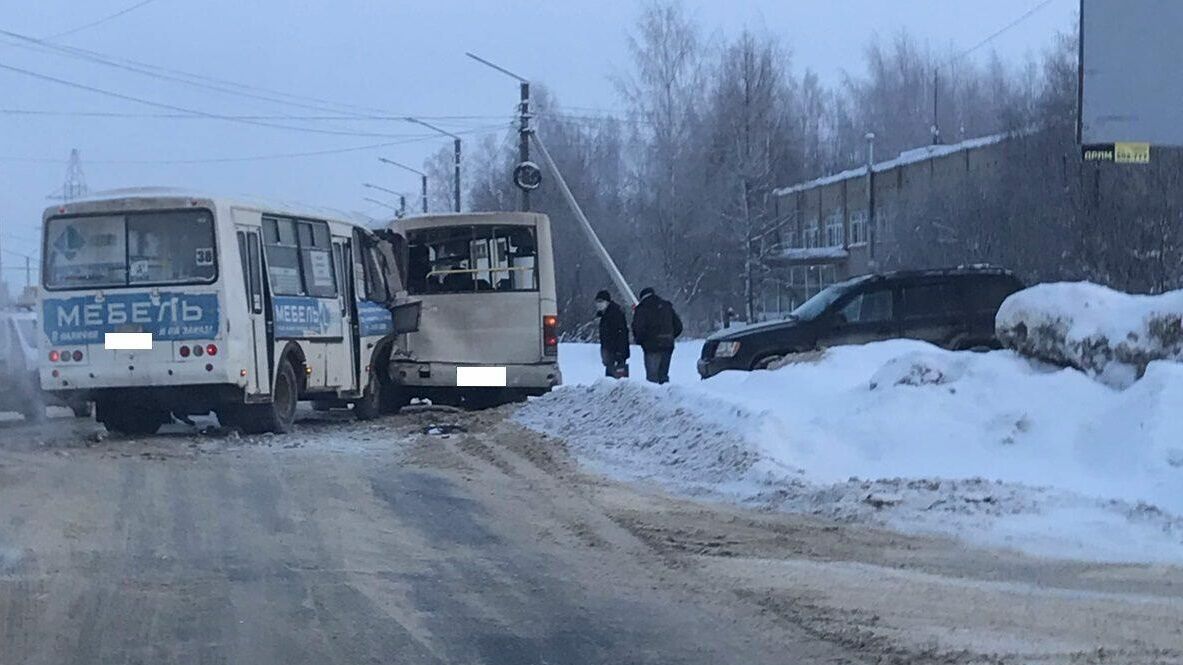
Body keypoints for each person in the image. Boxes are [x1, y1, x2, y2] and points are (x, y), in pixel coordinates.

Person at [631, 286, 682, 384]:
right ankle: (665, 397)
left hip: (652, 347)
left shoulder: (642, 308)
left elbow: (638, 328)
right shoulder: (666, 305)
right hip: (667, 344)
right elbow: (678, 326)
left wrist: (641, 341)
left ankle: (654, 398)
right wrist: (670, 336)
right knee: (663, 376)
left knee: (652, 379)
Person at [594, 290, 630, 378]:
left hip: (616, 352)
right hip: (610, 352)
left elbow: (621, 334)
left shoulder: (615, 313)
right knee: (611, 377)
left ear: (607, 302)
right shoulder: (605, 314)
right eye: (597, 302)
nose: (598, 304)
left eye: (601, 301)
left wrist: (619, 352)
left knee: (616, 378)